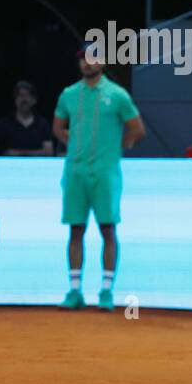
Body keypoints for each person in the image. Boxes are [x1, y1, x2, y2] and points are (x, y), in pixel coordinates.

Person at [53, 42, 145, 312]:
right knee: (75, 229)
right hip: (76, 171)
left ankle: (106, 290)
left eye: (92, 58)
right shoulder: (69, 94)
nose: (87, 63)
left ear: (103, 62)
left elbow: (137, 129)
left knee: (108, 229)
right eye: (82, 59)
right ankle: (74, 291)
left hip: (105, 172)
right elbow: (58, 127)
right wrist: (76, 144)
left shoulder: (117, 95)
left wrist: (118, 146)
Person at [0, 80, 55, 156]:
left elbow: (48, 152)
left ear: (34, 100)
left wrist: (19, 153)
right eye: (20, 95)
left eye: (27, 95)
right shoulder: (3, 124)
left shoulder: (43, 124)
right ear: (15, 99)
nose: (24, 99)